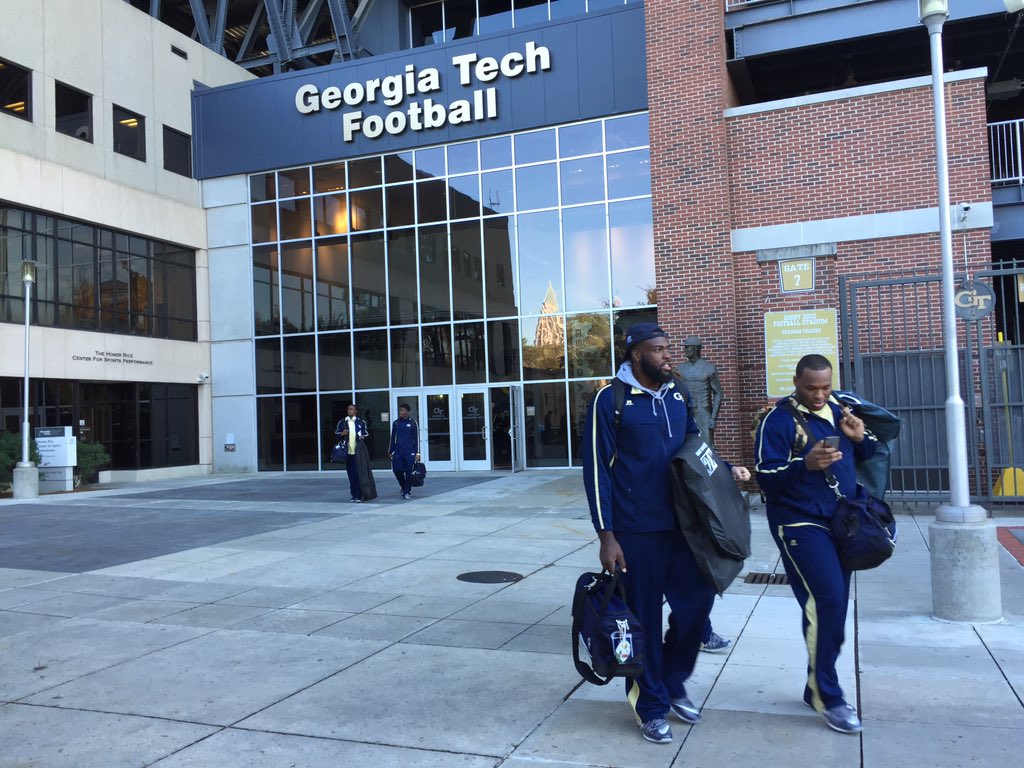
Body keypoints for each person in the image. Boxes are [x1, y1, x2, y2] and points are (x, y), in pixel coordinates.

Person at [583, 323, 750, 744]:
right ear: (635, 355)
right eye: (657, 350)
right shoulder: (610, 400)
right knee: (643, 621)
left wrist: (724, 469)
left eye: (667, 348)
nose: (666, 356)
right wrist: (607, 536)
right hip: (636, 531)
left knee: (697, 603)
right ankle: (651, 705)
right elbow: (597, 471)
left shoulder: (677, 392)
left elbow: (694, 443)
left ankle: (673, 681)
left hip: (684, 523)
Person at [753, 353, 878, 735]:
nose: (820, 394)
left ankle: (815, 686)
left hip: (840, 520)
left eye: (825, 386)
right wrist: (804, 464)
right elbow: (764, 476)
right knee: (825, 600)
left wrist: (861, 438)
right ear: (796, 381)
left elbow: (869, 449)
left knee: (836, 602)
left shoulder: (841, 408)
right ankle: (829, 695)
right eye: (811, 387)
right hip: (798, 521)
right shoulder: (777, 420)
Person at [675, 336, 723, 444]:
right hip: (686, 412)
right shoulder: (680, 368)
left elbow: (718, 394)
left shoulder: (709, 368)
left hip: (704, 412)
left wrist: (713, 418)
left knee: (707, 446)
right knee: (685, 444)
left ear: (695, 349)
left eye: (687, 347)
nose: (685, 350)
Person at [336, 403, 369, 503]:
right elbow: (336, 434)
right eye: (348, 409)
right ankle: (354, 494)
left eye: (351, 409)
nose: (349, 411)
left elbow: (366, 433)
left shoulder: (361, 422)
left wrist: (363, 436)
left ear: (356, 411)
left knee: (358, 474)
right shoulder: (342, 422)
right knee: (351, 474)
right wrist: (342, 434)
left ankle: (359, 495)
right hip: (348, 453)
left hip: (358, 452)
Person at [389, 403, 420, 500]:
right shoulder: (396, 423)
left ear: (407, 411)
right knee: (396, 470)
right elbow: (392, 438)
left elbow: (416, 438)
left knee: (408, 472)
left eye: (402, 410)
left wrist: (417, 453)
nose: (400, 412)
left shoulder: (413, 423)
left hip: (409, 451)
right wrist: (391, 451)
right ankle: (403, 486)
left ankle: (407, 491)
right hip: (398, 451)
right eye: (400, 410)